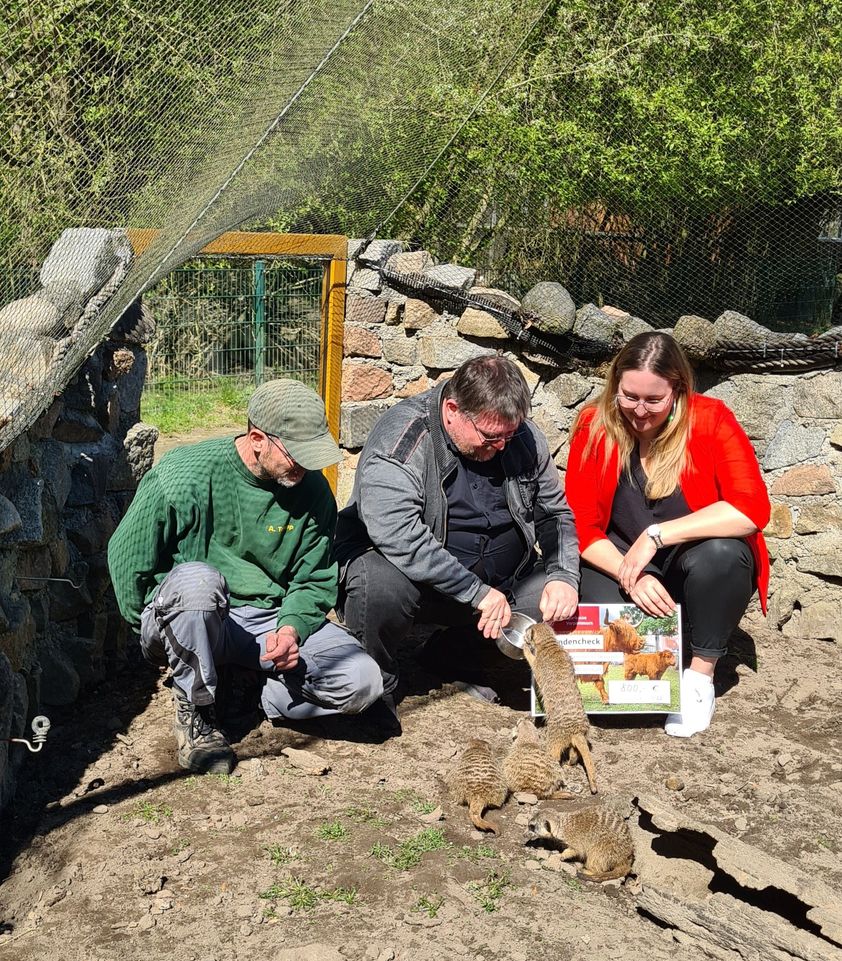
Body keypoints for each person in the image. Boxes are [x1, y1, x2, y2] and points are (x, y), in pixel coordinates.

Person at [107, 379, 384, 773]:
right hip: (197, 615)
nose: (306, 467)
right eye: (296, 455)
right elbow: (128, 557)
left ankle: (252, 690)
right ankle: (198, 714)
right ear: (257, 438)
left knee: (363, 682)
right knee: (197, 583)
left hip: (266, 622)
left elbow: (315, 578)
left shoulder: (313, 492)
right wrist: (160, 632)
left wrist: (291, 631)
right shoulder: (182, 475)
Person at [334, 355, 580, 720]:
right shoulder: (403, 439)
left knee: (558, 597)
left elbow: (555, 513)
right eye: (490, 436)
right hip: (421, 582)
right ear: (452, 410)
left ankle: (451, 654)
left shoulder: (521, 438)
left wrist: (563, 576)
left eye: (508, 436)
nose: (500, 446)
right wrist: (477, 592)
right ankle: (376, 686)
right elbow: (398, 534)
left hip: (500, 586)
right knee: (378, 585)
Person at [565, 331, 770, 737]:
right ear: (615, 386)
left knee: (722, 555)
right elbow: (581, 525)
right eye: (629, 396)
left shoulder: (711, 419)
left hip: (690, 560)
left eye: (654, 401)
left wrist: (657, 534)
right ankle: (636, 676)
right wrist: (631, 572)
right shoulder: (595, 423)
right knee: (610, 673)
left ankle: (699, 677)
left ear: (677, 389)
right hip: (620, 561)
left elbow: (750, 510)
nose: (639, 411)